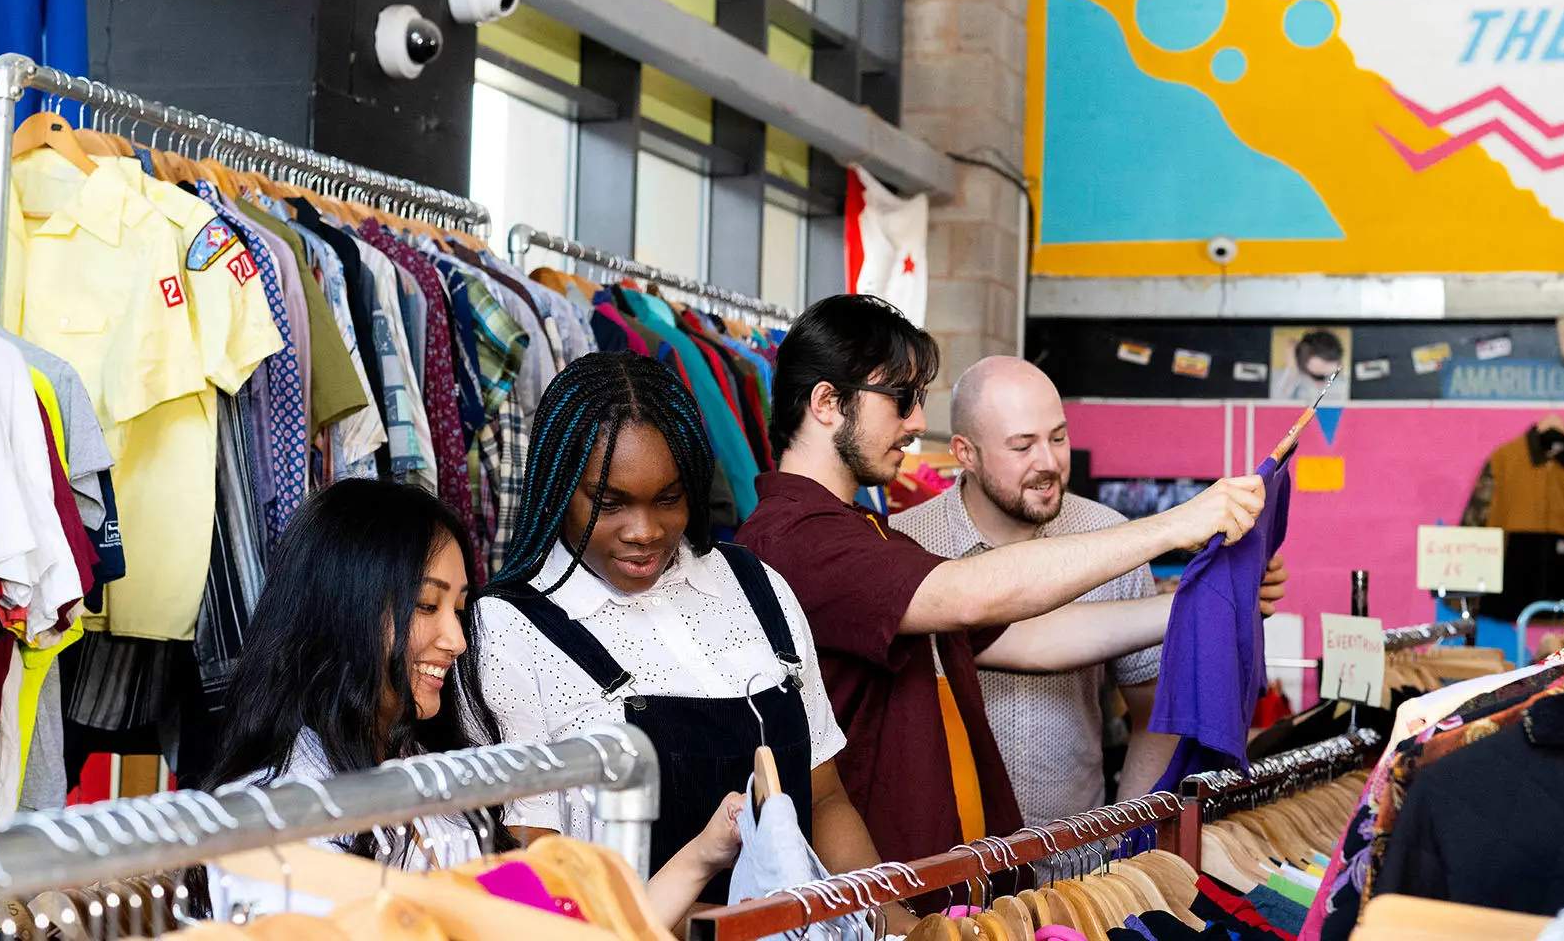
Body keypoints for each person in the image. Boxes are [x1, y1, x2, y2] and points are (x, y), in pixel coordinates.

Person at [736, 295, 1266, 863]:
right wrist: (1174, 526)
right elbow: (969, 594)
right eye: (900, 400)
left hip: (962, 885)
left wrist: (1207, 597)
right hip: (892, 895)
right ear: (826, 403)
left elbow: (1029, 637)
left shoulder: (868, 533)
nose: (916, 423)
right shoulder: (795, 540)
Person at [206, 479, 741, 923]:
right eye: (425, 605)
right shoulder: (271, 821)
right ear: (341, 609)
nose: (457, 640)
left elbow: (576, 928)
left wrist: (702, 855)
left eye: (459, 609)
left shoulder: (432, 778)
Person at [476, 353, 890, 921]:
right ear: (556, 487)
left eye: (668, 499)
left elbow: (824, 800)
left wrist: (891, 924)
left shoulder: (756, 586)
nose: (644, 532)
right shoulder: (507, 630)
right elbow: (540, 871)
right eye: (608, 502)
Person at [890, 356, 1289, 825]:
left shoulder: (1111, 536)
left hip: (1077, 867)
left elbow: (1154, 714)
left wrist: (1123, 840)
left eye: (1058, 438)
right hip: (943, 869)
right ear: (965, 452)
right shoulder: (906, 544)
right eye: (1022, 446)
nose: (1050, 462)